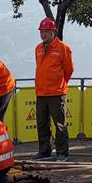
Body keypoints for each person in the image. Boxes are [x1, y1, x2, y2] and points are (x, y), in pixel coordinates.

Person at [33, 18, 74, 162]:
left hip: (56, 93)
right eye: (41, 31)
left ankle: (62, 153)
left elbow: (69, 70)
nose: (43, 34)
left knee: (59, 124)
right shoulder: (38, 48)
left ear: (53, 32)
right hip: (41, 92)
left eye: (46, 31)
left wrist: (60, 83)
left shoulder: (63, 48)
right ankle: (44, 151)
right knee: (42, 124)